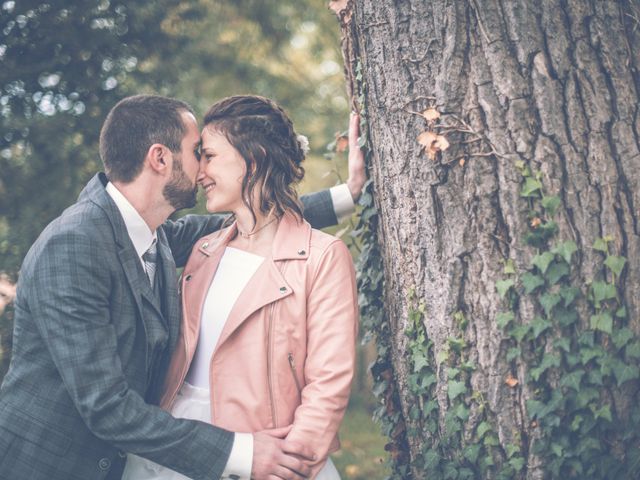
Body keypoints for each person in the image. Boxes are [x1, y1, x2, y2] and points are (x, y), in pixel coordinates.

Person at [0, 94, 365, 480]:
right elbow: (106, 407)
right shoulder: (75, 244)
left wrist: (348, 194)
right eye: (198, 153)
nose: (202, 170)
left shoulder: (151, 233)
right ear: (160, 158)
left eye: (209, 155)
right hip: (54, 464)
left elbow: (262, 218)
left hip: (163, 451)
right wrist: (244, 453)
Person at [123, 95, 359, 480]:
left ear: (254, 159)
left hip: (265, 452)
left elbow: (328, 383)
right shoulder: (203, 251)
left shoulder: (322, 257)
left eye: (210, 156)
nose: (199, 172)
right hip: (179, 447)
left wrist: (293, 462)